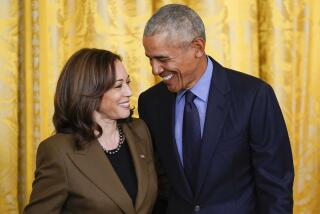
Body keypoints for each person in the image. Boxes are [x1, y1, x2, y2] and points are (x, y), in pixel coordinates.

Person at [138, 4, 294, 214]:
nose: (155, 70)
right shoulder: (151, 102)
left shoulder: (254, 96)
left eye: (163, 59)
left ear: (197, 48)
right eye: (150, 59)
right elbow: (157, 182)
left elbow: (275, 187)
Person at [24, 48, 157, 214]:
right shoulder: (57, 151)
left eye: (127, 82)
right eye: (118, 86)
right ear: (89, 92)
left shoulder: (140, 130)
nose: (129, 92)